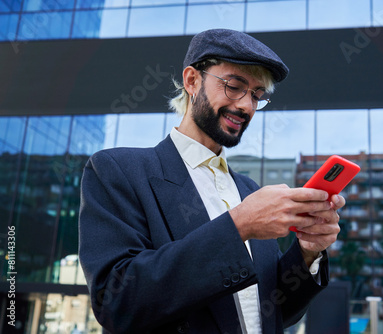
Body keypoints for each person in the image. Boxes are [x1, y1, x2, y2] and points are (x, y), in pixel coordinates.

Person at [79, 29, 345, 334]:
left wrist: (308, 251)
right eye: (234, 86)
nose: (246, 106)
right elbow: (118, 303)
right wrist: (239, 225)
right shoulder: (117, 170)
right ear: (192, 80)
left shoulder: (249, 191)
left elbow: (272, 313)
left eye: (257, 95)